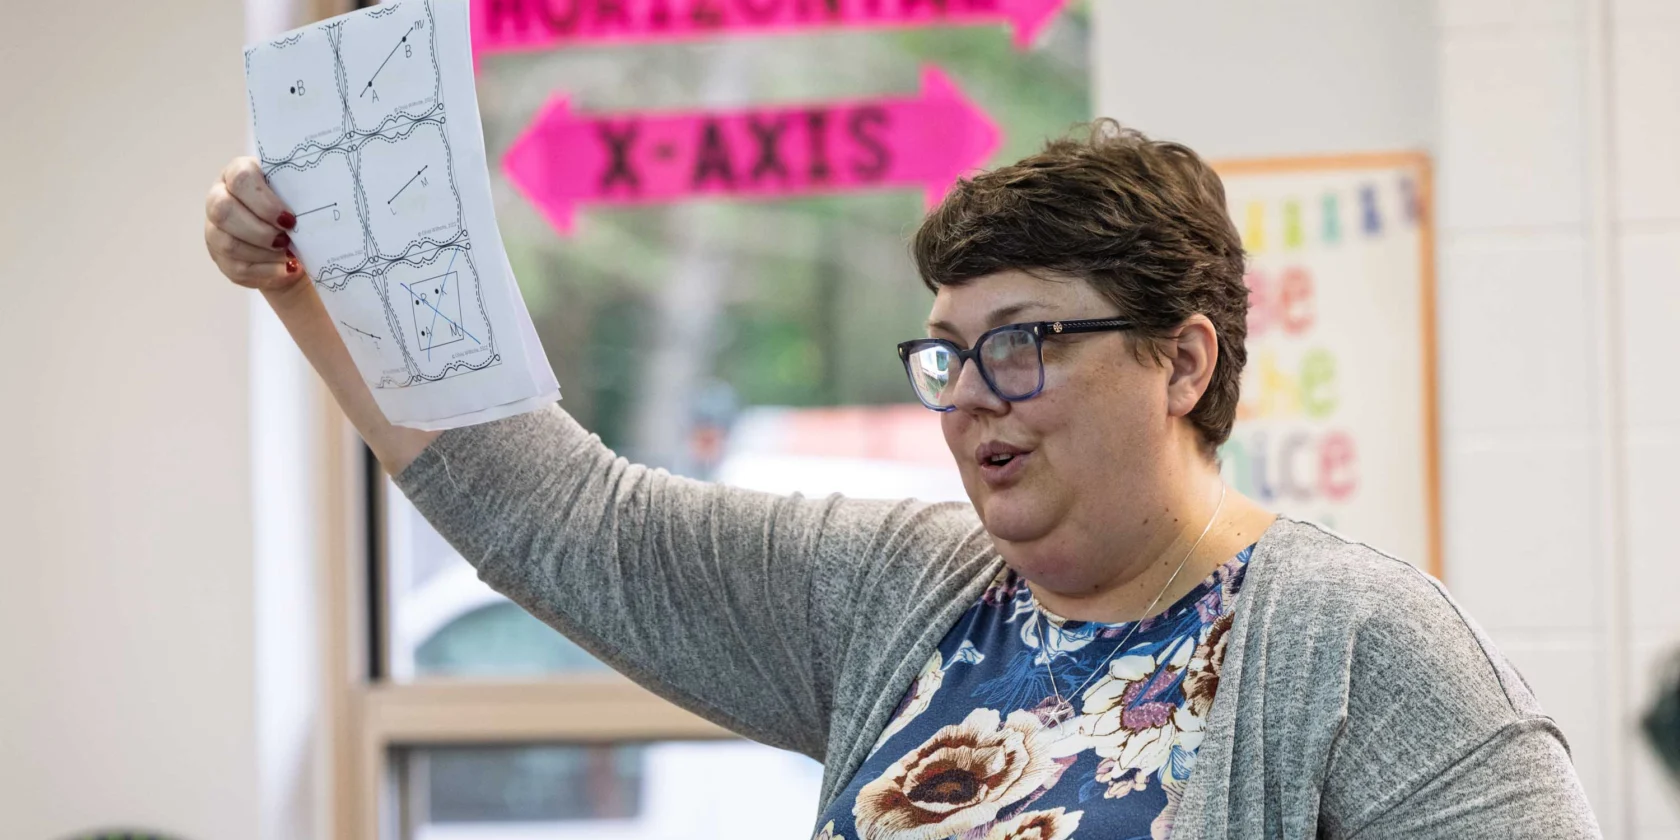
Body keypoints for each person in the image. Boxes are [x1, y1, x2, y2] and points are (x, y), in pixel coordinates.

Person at [204, 121, 1600, 839]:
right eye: (948, 355)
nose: (974, 397)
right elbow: (568, 522)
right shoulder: (903, 599)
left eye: (1027, 345)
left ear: (1184, 363)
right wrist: (317, 292)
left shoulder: (1363, 652)